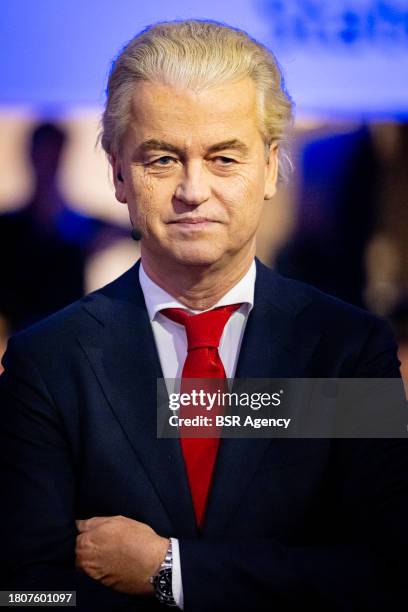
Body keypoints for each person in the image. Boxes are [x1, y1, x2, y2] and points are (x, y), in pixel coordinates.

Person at [0, 19, 407, 612]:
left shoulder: (347, 354)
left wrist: (172, 571)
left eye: (223, 158)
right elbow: (24, 594)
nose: (193, 190)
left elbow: (386, 577)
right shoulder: (48, 363)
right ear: (118, 172)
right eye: (162, 159)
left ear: (269, 168)